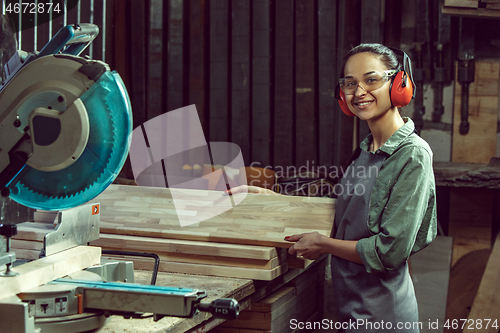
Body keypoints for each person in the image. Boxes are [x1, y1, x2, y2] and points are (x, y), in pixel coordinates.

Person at [226, 43, 437, 332]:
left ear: (399, 84)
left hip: (385, 316)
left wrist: (324, 245)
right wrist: (269, 198)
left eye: (371, 79)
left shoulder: (412, 155)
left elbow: (389, 252)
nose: (359, 91)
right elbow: (339, 212)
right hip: (350, 308)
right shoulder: (365, 151)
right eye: (350, 83)